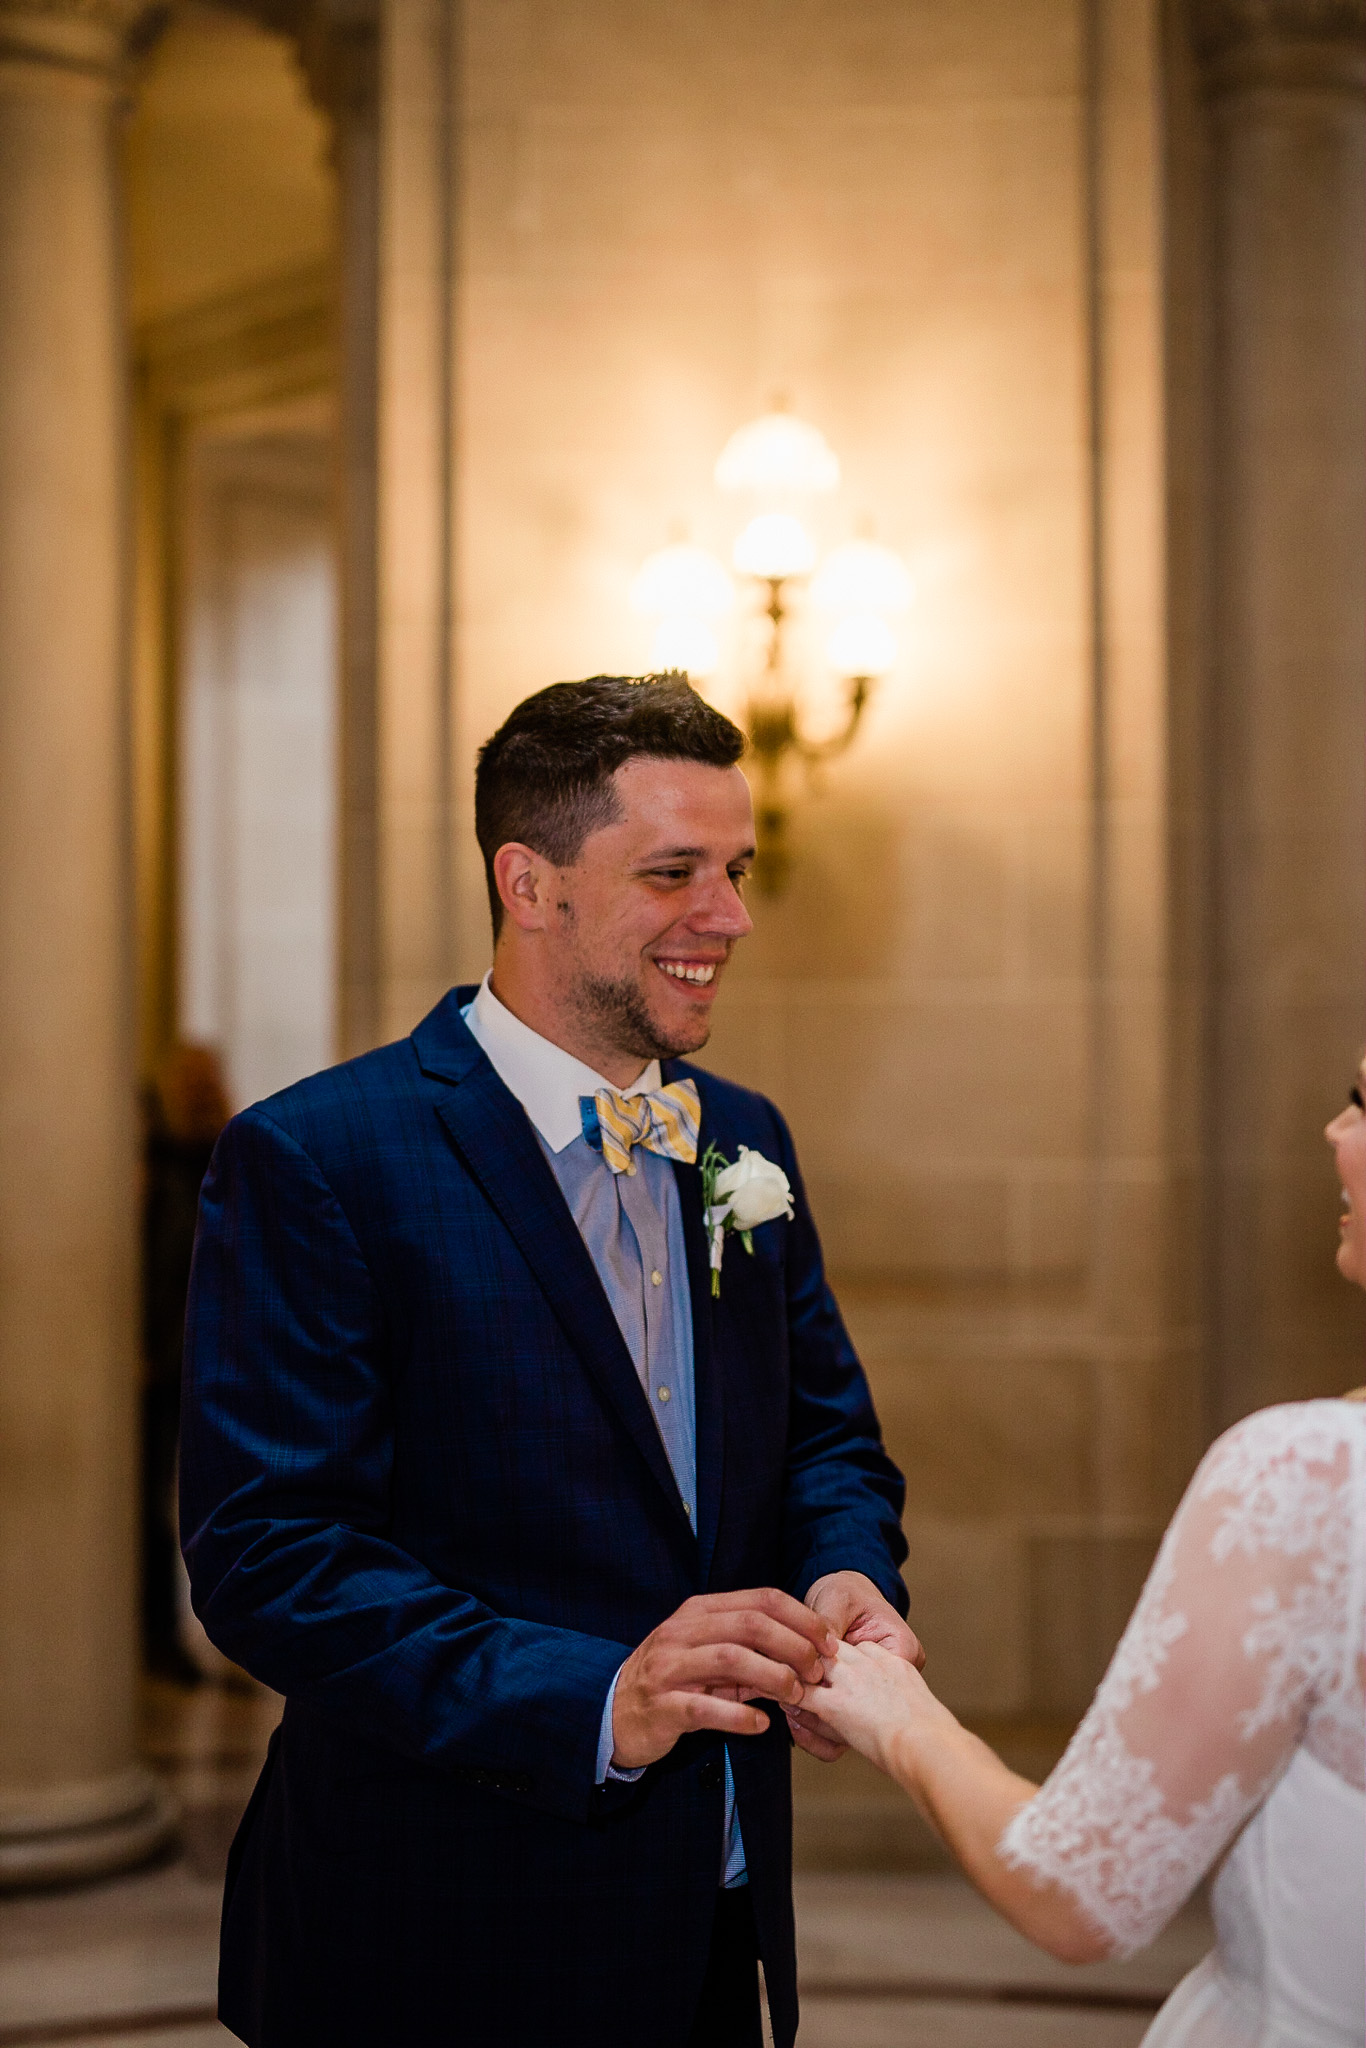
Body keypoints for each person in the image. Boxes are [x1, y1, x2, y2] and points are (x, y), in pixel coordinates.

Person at [179, 673, 915, 2048]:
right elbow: (271, 1557)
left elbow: (825, 1440)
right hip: (432, 1936)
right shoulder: (320, 1159)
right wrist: (598, 1697)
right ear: (529, 883)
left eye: (737, 871)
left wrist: (844, 1575)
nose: (730, 918)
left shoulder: (741, 1136)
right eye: (673, 873)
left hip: (714, 1909)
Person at [805, 1060, 1366, 2047]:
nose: (1330, 1129)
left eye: (1364, 1101)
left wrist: (900, 1718)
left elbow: (1077, 1890)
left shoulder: (1306, 1477)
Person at [141, 1041, 230, 1682]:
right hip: (157, 1362)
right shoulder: (156, 1165)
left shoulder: (228, 1159)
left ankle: (221, 1644)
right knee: (149, 1503)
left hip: (209, 1358)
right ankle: (157, 1635)